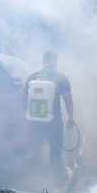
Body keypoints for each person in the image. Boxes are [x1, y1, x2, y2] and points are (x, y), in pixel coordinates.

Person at [24, 51, 74, 183]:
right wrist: (71, 118)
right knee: (55, 149)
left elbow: (24, 99)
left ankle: (31, 176)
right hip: (54, 120)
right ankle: (57, 177)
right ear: (55, 62)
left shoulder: (32, 77)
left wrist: (26, 115)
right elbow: (68, 100)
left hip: (34, 121)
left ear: (42, 61)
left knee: (35, 147)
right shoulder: (61, 78)